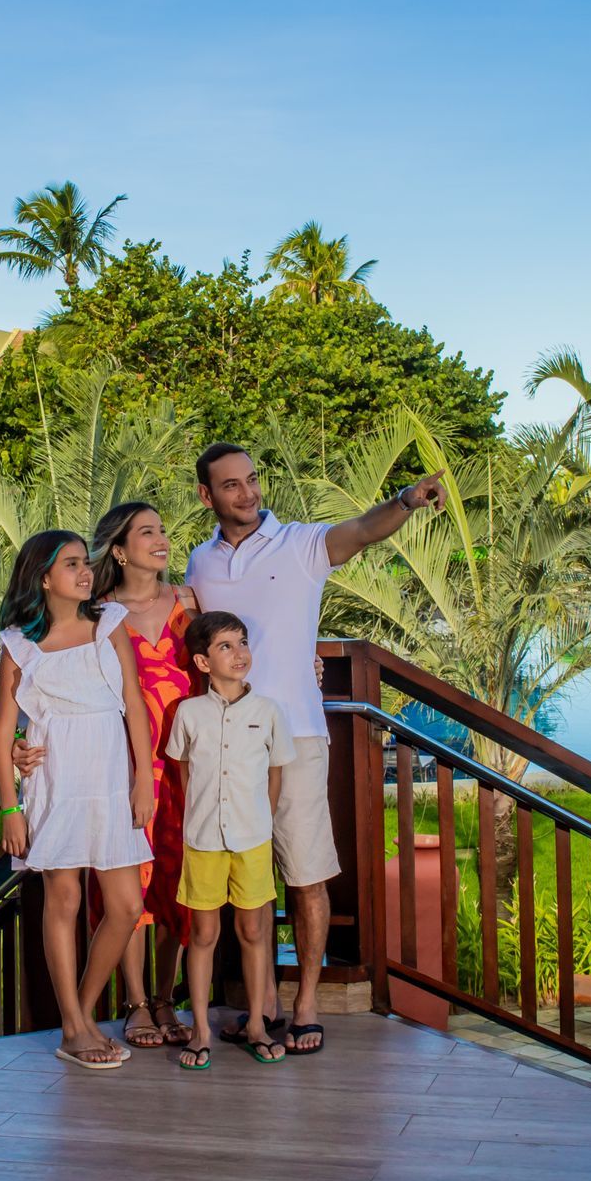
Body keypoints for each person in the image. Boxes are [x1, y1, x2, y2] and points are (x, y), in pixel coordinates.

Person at [184, 441, 445, 1054]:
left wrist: (406, 500)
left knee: (304, 875)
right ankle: (263, 1002)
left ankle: (304, 1003)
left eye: (252, 479)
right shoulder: (199, 562)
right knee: (246, 877)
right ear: (207, 496)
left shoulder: (301, 544)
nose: (248, 493)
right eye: (231, 485)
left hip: (295, 734)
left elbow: (360, 531)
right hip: (227, 745)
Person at [0, 530, 156, 1070]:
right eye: (71, 565)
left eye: (85, 563)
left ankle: (80, 1016)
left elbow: (133, 702)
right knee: (63, 901)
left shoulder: (109, 624)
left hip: (112, 779)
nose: (84, 573)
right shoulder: (19, 643)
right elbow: (4, 731)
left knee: (127, 906)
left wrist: (142, 780)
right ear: (43, 578)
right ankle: (73, 1025)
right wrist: (9, 808)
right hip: (56, 782)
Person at [164, 611, 294, 1070]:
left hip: (253, 839)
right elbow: (183, 773)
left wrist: (261, 820)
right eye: (225, 646)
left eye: (242, 643)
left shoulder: (268, 712)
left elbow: (275, 776)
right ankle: (201, 1030)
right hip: (202, 841)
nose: (239, 654)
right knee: (203, 933)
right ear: (202, 662)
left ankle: (257, 1024)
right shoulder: (188, 713)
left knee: (255, 930)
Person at [88, 502, 194, 1049]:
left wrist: (306, 664)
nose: (161, 539)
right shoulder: (98, 614)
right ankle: (134, 1001)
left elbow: (230, 655)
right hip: (126, 768)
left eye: (162, 530)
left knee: (179, 883)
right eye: (146, 532)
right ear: (121, 550)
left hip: (188, 769)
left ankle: (165, 997)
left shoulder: (191, 603)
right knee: (130, 886)